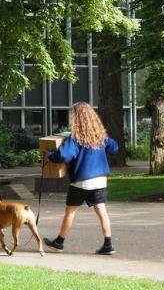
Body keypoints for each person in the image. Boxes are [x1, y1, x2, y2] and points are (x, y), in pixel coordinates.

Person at [43, 101, 119, 255]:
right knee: (102, 210)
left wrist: (49, 156)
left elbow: (64, 155)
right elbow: (114, 148)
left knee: (70, 211)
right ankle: (108, 244)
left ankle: (59, 242)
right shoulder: (100, 136)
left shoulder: (76, 138)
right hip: (100, 179)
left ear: (76, 118)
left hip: (82, 181)